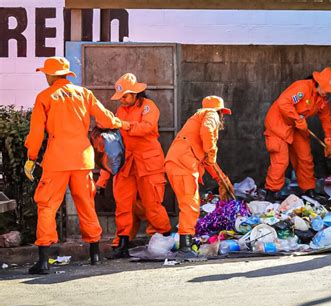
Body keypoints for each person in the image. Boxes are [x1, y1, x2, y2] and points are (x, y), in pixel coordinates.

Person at [24, 56, 122, 274]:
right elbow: (106, 120)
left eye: (46, 74)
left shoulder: (45, 97)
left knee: (47, 206)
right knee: (86, 204)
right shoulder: (84, 93)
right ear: (67, 74)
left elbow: (37, 133)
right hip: (82, 159)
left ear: (50, 75)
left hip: (57, 159)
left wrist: (31, 158)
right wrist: (120, 123)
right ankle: (95, 255)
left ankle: (43, 262)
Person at [110, 73, 171, 258]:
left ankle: (162, 237)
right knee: (123, 203)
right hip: (127, 162)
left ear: (136, 93)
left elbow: (147, 127)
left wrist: (125, 125)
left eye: (125, 96)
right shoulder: (121, 110)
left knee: (152, 202)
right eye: (120, 97)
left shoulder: (148, 106)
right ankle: (122, 240)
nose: (122, 100)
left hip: (148, 162)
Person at [165, 96, 234, 259]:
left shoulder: (197, 121)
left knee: (189, 204)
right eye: (222, 113)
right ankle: (185, 247)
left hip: (178, 163)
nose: (222, 117)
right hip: (183, 165)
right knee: (190, 205)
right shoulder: (211, 115)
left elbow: (208, 162)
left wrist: (221, 179)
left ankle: (185, 244)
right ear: (220, 112)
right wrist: (212, 151)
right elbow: (208, 136)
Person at [264, 67, 331, 201]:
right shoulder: (302, 87)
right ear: (319, 83)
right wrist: (297, 118)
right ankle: (271, 192)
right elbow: (283, 103)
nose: (327, 93)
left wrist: (329, 141)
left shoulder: (322, 99)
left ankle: (309, 190)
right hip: (279, 124)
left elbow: (326, 119)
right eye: (326, 89)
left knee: (305, 157)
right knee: (280, 160)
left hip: (298, 126)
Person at [95, 169, 155, 247]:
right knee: (127, 211)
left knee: (151, 209)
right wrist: (102, 180)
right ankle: (121, 243)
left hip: (145, 176)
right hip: (127, 176)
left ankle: (156, 239)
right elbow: (110, 159)